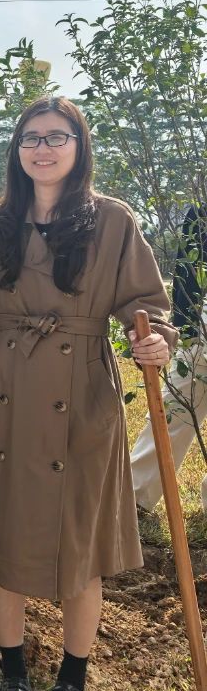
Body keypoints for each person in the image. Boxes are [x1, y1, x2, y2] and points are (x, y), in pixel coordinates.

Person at [0, 96, 174, 691]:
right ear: (16, 151)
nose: (42, 149)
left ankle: (72, 680)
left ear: (79, 146)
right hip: (6, 391)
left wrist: (154, 339)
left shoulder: (113, 221)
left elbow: (149, 307)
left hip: (85, 396)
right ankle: (13, 671)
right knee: (4, 533)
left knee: (81, 541)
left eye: (56, 137)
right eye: (31, 138)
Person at [130, 205, 207, 513]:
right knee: (172, 413)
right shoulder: (201, 212)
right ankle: (136, 496)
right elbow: (186, 272)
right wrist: (186, 330)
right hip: (200, 332)